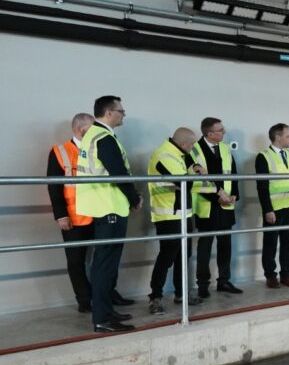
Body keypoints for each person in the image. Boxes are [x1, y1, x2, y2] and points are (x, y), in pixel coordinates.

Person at [76, 96, 141, 333]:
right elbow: (119, 173)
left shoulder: (93, 135)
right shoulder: (103, 137)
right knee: (105, 265)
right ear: (109, 112)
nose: (124, 115)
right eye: (121, 111)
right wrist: (134, 198)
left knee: (104, 264)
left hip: (103, 206)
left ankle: (105, 310)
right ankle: (102, 318)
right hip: (109, 206)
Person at [147, 128, 205, 314]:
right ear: (182, 144)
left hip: (183, 214)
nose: (193, 147)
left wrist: (194, 167)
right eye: (192, 144)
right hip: (168, 215)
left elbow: (190, 165)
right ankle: (155, 297)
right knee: (167, 257)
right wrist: (196, 174)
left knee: (183, 256)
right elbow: (183, 183)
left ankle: (181, 294)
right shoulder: (164, 156)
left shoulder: (178, 153)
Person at [46, 113, 95, 314]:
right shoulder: (60, 152)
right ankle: (84, 299)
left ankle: (108, 294)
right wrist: (61, 215)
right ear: (80, 129)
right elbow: (54, 186)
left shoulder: (96, 149)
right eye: (91, 128)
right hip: (73, 217)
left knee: (103, 258)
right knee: (76, 261)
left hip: (97, 214)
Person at [192, 117, 242, 298]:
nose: (224, 132)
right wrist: (217, 198)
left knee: (225, 245)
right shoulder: (194, 150)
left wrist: (234, 194)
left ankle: (224, 281)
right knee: (205, 247)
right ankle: (202, 284)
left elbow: (233, 174)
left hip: (227, 204)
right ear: (209, 133)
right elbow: (196, 181)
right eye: (220, 130)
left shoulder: (225, 148)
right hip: (207, 206)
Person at [256, 123, 289, 289]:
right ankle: (270, 276)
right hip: (274, 208)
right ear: (277, 137)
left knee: (287, 243)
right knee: (270, 243)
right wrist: (267, 210)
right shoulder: (263, 156)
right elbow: (262, 187)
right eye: (288, 136)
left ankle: (286, 274)